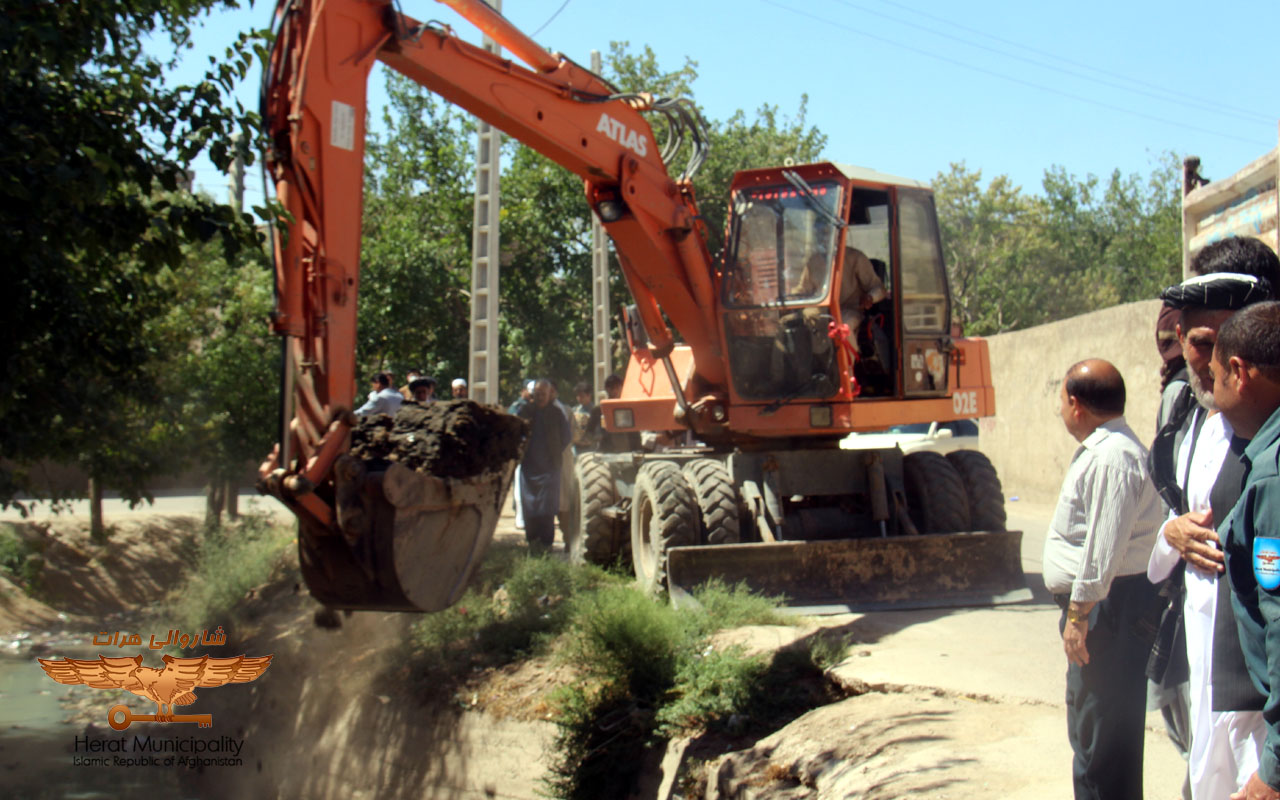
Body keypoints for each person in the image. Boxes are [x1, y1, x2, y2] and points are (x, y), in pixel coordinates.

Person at [1147, 267, 1277, 800]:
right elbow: (1167, 523)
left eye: (1230, 344)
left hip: (1256, 684)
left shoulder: (1263, 441)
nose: (1217, 360)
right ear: (1181, 340)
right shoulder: (1185, 415)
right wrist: (1171, 533)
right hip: (1202, 658)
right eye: (1204, 343)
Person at [1042, 358, 1165, 800]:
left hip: (1107, 610)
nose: (1061, 410)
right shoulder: (1108, 449)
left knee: (1101, 740)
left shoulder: (1112, 457)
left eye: (1062, 401)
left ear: (1076, 404)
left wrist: (1078, 616)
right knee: (1096, 731)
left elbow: (1102, 549)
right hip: (1106, 606)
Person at [1211, 302, 1280, 800]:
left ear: (1238, 372)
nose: (1213, 399)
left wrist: (1273, 773)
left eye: (1214, 380)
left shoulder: (1273, 475)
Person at [516, 379, 570, 550]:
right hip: (529, 468)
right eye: (537, 394)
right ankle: (532, 542)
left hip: (550, 468)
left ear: (549, 394)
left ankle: (546, 544)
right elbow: (516, 432)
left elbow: (566, 437)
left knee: (547, 508)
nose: (540, 397)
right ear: (533, 394)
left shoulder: (556, 413)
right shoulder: (525, 411)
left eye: (543, 394)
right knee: (529, 506)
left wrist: (554, 451)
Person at [585, 374, 641, 453]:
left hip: (629, 452)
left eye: (617, 387)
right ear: (607, 389)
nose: (615, 391)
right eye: (611, 388)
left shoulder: (629, 408)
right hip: (607, 453)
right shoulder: (598, 410)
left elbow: (636, 434)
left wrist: (638, 452)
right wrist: (599, 437)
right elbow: (589, 434)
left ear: (622, 388)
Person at [509, 380, 535, 530]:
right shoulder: (517, 407)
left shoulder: (537, 408)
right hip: (521, 452)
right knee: (520, 486)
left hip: (534, 453)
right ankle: (520, 517)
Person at [571, 381, 597, 454]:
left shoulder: (596, 411)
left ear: (589, 395)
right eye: (577, 396)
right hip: (576, 449)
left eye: (582, 396)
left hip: (591, 449)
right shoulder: (574, 410)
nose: (579, 398)